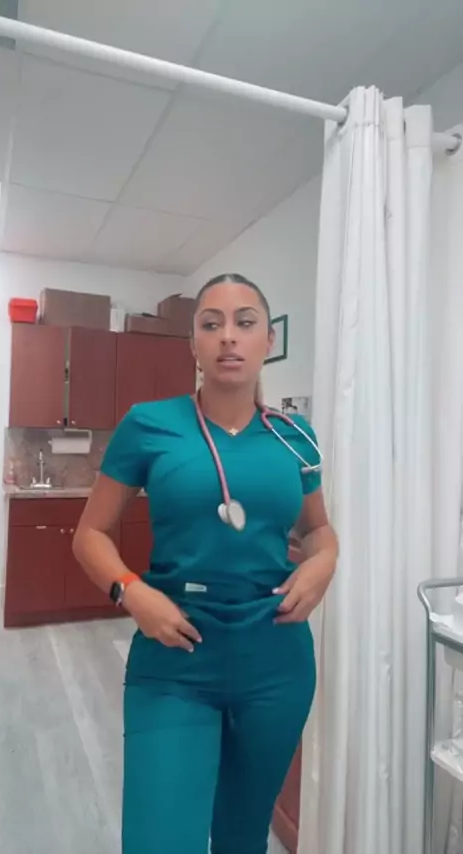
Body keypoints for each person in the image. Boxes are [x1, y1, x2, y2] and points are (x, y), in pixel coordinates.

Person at [73, 272, 338, 854]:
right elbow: (90, 534)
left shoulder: (295, 437)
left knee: (243, 837)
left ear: (269, 339)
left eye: (245, 322)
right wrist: (131, 592)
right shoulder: (149, 425)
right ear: (193, 343)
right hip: (176, 655)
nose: (228, 337)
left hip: (275, 660)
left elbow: (317, 530)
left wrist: (327, 561)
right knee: (160, 840)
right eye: (211, 324)